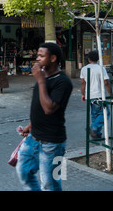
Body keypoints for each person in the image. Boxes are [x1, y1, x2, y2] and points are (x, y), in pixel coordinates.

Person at [16, 42, 73, 191]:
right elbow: (39, 107)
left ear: (53, 58)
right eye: (38, 55)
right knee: (23, 172)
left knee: (51, 184)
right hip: (34, 138)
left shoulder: (63, 82)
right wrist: (32, 124)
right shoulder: (44, 77)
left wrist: (40, 80)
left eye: (42, 55)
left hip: (54, 144)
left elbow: (49, 108)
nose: (37, 58)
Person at [80, 50, 113, 139]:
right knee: (106, 114)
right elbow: (106, 82)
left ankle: (96, 134)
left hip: (89, 96)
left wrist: (83, 94)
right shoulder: (101, 68)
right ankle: (93, 128)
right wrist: (111, 94)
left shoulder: (84, 69)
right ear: (98, 59)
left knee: (95, 115)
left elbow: (83, 83)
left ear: (89, 59)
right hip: (98, 95)